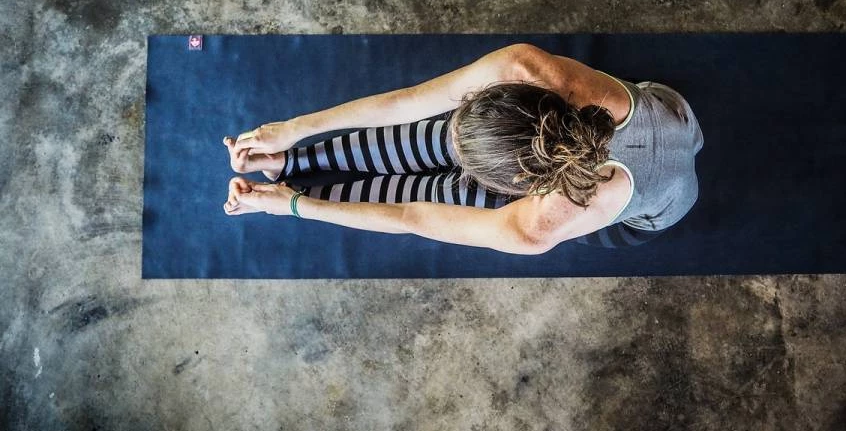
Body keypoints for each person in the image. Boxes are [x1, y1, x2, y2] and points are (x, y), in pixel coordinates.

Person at [221, 43, 704, 253]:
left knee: (451, 194)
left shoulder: (538, 224)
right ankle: (297, 165)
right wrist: (295, 135)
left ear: (527, 187)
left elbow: (415, 217)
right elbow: (409, 103)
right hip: (670, 112)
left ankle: (302, 175)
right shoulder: (527, 67)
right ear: (514, 89)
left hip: (655, 207)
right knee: (432, 140)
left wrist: (296, 205)